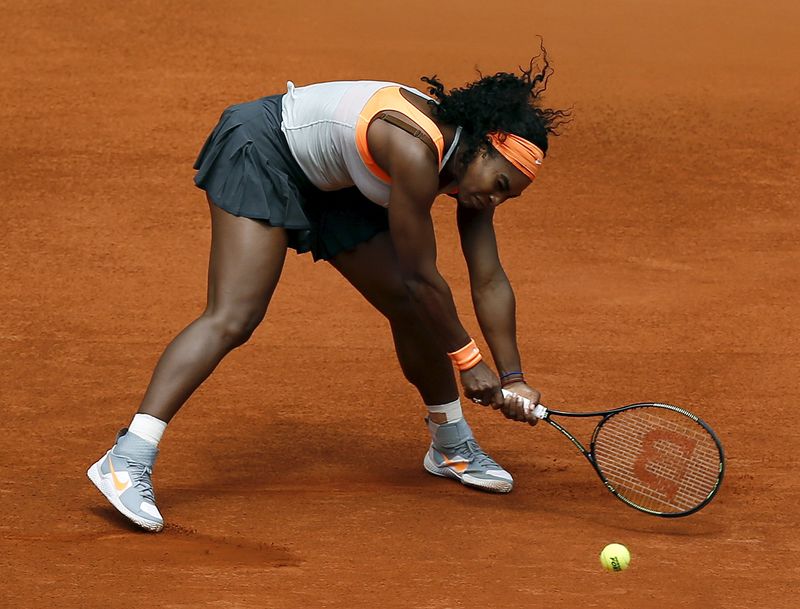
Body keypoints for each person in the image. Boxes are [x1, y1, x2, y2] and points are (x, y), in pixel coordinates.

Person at [87, 49, 569, 532]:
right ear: (482, 148)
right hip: (265, 149)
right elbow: (423, 276)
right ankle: (128, 456)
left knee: (412, 307)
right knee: (235, 316)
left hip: (336, 183)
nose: (495, 198)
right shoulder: (413, 151)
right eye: (500, 183)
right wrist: (470, 362)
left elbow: (489, 278)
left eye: (510, 195)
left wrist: (512, 376)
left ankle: (449, 445)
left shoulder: (472, 172)